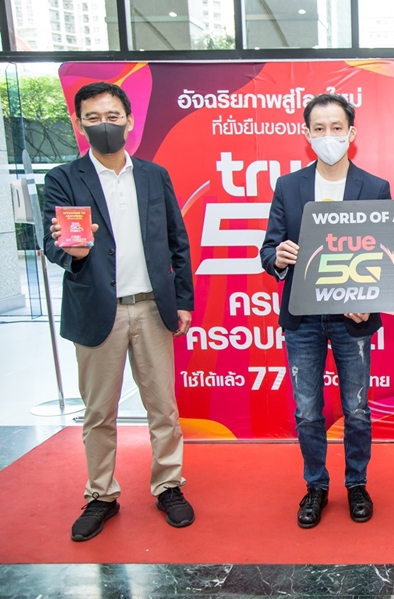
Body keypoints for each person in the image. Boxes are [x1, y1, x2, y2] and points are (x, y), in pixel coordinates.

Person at [42, 82, 195, 541]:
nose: (103, 125)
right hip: (95, 310)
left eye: (112, 116)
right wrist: (72, 250)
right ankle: (101, 494)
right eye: (93, 118)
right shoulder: (64, 178)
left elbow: (178, 240)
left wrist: (183, 300)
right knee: (98, 412)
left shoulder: (153, 175)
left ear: (129, 121)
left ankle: (168, 485)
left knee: (163, 408)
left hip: (151, 308)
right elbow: (53, 243)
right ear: (79, 124)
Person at [260, 93, 391, 529]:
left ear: (351, 133)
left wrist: (368, 298)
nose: (329, 136)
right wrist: (279, 257)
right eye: (320, 128)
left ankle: (357, 483)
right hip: (303, 319)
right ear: (307, 134)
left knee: (357, 409)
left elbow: (388, 255)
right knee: (307, 410)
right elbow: (268, 250)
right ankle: (315, 485)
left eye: (337, 128)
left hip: (353, 319)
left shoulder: (374, 188)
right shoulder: (289, 186)